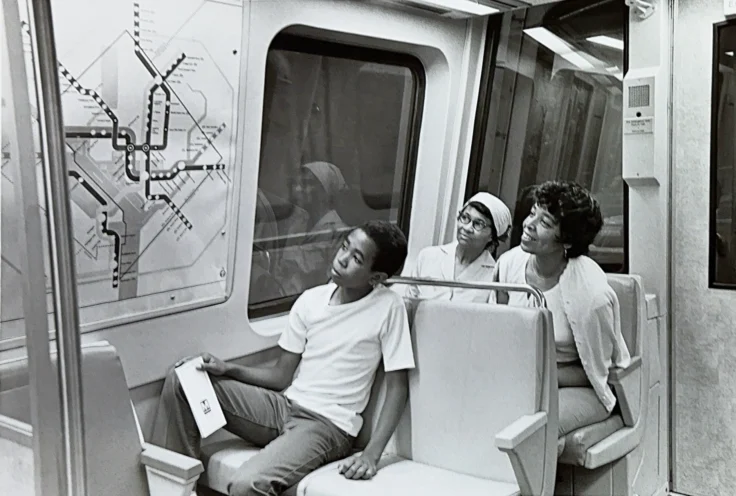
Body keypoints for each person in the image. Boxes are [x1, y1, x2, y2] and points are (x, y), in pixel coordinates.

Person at [150, 220, 414, 495]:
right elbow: (280, 377)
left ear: (377, 277)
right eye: (345, 246)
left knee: (246, 485)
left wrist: (371, 455)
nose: (342, 258)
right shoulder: (310, 301)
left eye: (357, 258)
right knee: (184, 381)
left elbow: (398, 387)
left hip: (327, 425)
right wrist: (228, 368)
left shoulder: (388, 307)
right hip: (284, 407)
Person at [490, 181, 631, 437]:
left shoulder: (592, 294)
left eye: (545, 223)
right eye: (532, 213)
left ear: (567, 240)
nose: (529, 224)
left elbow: (598, 371)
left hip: (579, 386)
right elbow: (498, 327)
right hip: (525, 374)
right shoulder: (509, 264)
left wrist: (539, 375)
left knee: (532, 432)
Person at [403, 192, 511, 302]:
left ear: (491, 236)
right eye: (465, 218)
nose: (467, 227)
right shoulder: (428, 257)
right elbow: (409, 303)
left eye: (478, 224)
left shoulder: (493, 275)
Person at [277, 161, 350, 294]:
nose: (297, 189)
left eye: (307, 184)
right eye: (297, 184)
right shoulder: (297, 224)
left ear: (325, 190)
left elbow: (332, 283)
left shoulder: (338, 232)